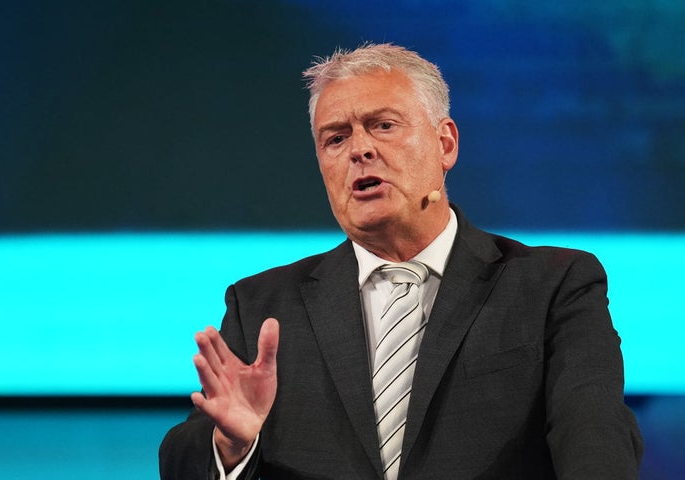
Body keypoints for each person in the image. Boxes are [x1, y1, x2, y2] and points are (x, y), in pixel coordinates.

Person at [159, 43, 643, 479]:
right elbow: (182, 461)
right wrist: (231, 444)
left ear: (445, 144)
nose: (361, 150)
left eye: (383, 125)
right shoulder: (263, 305)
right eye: (335, 138)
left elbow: (595, 439)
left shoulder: (553, 286)